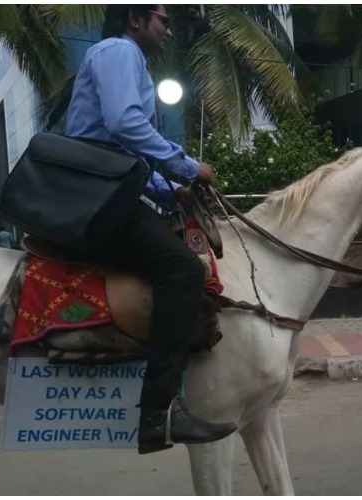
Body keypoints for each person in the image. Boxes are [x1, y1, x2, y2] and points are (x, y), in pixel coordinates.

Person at [65, 5, 236, 454]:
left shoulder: (126, 60)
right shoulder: (118, 52)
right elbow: (124, 125)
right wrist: (186, 165)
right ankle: (160, 413)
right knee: (183, 270)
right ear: (134, 21)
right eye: (162, 20)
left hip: (113, 188)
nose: (168, 29)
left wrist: (170, 191)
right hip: (101, 199)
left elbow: (124, 151)